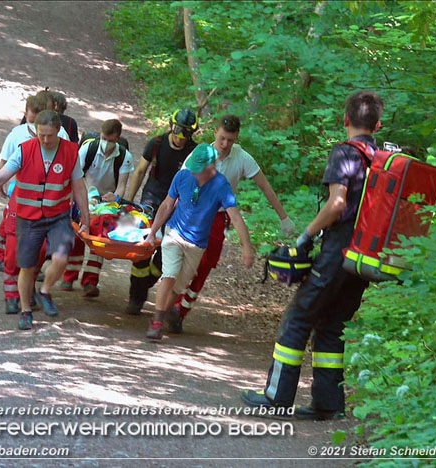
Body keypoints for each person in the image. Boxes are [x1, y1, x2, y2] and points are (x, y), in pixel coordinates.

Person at [240, 91, 382, 420]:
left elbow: (337, 205)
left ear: (345, 120)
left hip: (338, 252)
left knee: (298, 318)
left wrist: (305, 237)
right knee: (333, 324)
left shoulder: (346, 153)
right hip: (364, 260)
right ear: (377, 124)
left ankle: (277, 398)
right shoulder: (383, 160)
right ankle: (328, 404)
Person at [171, 115, 295, 332]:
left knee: (206, 264)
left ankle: (180, 311)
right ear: (215, 134)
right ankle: (170, 303)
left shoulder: (242, 158)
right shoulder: (200, 153)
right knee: (185, 260)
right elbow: (180, 184)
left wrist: (283, 216)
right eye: (222, 138)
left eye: (230, 139)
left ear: (236, 138)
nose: (225, 144)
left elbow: (265, 186)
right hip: (193, 213)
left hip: (218, 216)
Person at [0, 110, 90, 331]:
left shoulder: (70, 152)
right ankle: (26, 310)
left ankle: (45, 290)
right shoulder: (25, 151)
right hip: (28, 217)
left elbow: (79, 186)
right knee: (26, 267)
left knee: (61, 257)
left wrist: (85, 215)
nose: (45, 140)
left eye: (50, 135)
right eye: (41, 135)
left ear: (59, 132)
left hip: (58, 216)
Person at [143, 144, 255, 341]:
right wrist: (153, 232)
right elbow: (167, 205)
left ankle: (163, 313)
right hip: (174, 234)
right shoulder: (183, 176)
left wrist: (247, 247)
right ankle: (157, 322)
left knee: (178, 288)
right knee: (168, 276)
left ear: (212, 166)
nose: (194, 172)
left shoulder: (221, 185)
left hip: (197, 244)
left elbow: (235, 217)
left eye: (199, 169)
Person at [0, 95, 70, 314]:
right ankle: (11, 295)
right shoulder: (18, 136)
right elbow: (3, 166)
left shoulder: (61, 137)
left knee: (41, 250)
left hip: (49, 204)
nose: (43, 137)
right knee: (14, 250)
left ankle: (29, 288)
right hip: (22, 199)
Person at [124, 109, 199, 315]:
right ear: (170, 126)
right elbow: (140, 171)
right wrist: (130, 202)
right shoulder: (156, 144)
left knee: (167, 249)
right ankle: (135, 297)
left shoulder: (194, 152)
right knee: (142, 246)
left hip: (178, 206)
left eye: (186, 133)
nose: (181, 137)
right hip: (152, 199)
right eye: (177, 130)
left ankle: (147, 282)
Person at [60, 119, 134, 297]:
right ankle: (69, 277)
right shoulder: (88, 149)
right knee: (78, 235)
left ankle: (90, 281)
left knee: (100, 238)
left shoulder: (124, 157)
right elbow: (76, 175)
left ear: (118, 138)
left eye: (111, 140)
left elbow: (122, 184)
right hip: (84, 194)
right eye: (104, 138)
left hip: (106, 201)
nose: (106, 143)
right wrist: (78, 198)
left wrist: (115, 199)